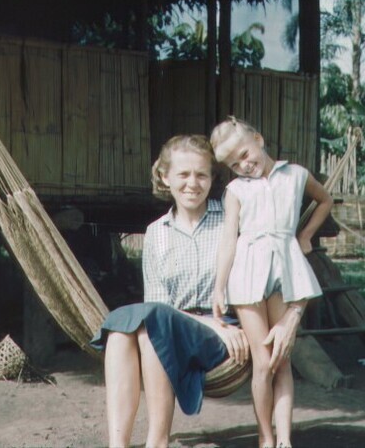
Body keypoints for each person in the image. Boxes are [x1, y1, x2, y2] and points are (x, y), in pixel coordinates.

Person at [90, 134, 251, 448]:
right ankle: (117, 445)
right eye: (183, 174)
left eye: (201, 174)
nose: (193, 183)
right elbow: (157, 302)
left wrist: (216, 324)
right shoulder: (156, 232)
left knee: (152, 324)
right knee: (122, 332)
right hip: (174, 324)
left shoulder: (230, 222)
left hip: (222, 333)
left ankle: (157, 442)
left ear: (212, 178)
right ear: (165, 178)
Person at [210, 117, 333, 448]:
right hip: (247, 274)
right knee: (263, 362)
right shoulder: (236, 191)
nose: (243, 165)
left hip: (285, 268)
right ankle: (265, 437)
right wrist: (219, 287)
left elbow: (325, 200)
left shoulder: (296, 175)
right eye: (234, 164)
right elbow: (228, 240)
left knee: (281, 360)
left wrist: (305, 236)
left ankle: (285, 439)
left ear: (258, 139)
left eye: (244, 155)